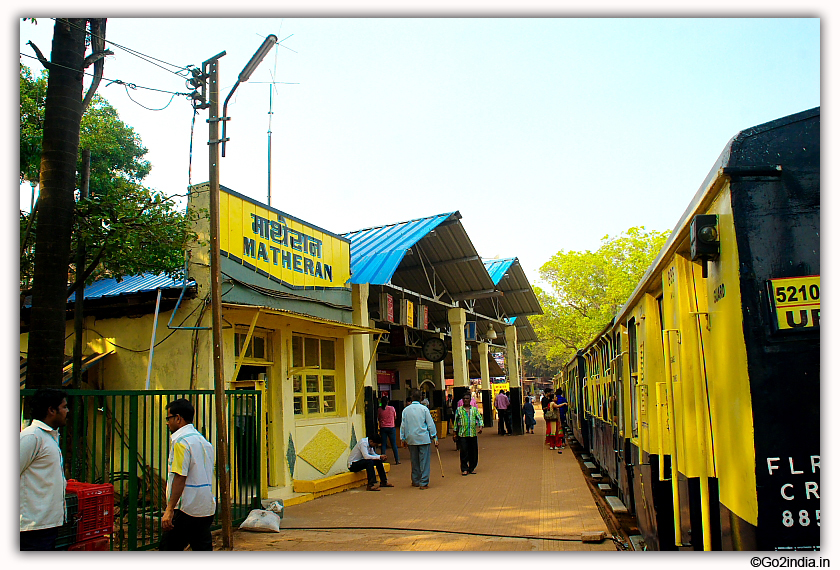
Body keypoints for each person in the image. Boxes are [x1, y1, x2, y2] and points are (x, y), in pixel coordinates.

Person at [160, 398, 217, 551]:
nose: (167, 423)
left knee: (168, 549)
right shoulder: (204, 442)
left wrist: (170, 509)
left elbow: (180, 477)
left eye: (169, 418)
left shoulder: (181, 443)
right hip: (205, 507)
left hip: (186, 508)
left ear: (178, 418)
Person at [20, 388, 69, 551]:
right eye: (64, 407)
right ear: (51, 410)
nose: (67, 411)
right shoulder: (31, 437)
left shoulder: (50, 437)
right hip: (32, 527)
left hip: (47, 524)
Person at [399, 389, 438, 489]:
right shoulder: (424, 409)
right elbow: (430, 424)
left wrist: (402, 438)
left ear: (411, 398)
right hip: (423, 438)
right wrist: (434, 436)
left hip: (411, 438)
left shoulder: (406, 410)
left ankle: (415, 480)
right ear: (421, 398)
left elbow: (403, 425)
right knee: (424, 461)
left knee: (414, 460)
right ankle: (423, 482)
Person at [454, 391, 483, 475]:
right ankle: (464, 469)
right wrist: (455, 433)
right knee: (464, 452)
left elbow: (479, 418)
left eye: (467, 398)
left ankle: (472, 467)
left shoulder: (474, 410)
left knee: (473, 452)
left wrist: (481, 427)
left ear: (470, 400)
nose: (466, 400)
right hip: (462, 434)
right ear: (462, 400)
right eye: (464, 399)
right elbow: (456, 422)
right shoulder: (459, 410)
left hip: (472, 434)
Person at [377, 396, 400, 464]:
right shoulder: (392, 408)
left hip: (383, 427)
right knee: (393, 444)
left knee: (383, 444)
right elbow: (395, 417)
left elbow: (378, 418)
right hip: (391, 427)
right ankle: (397, 460)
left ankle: (383, 460)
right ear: (388, 401)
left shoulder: (379, 409)